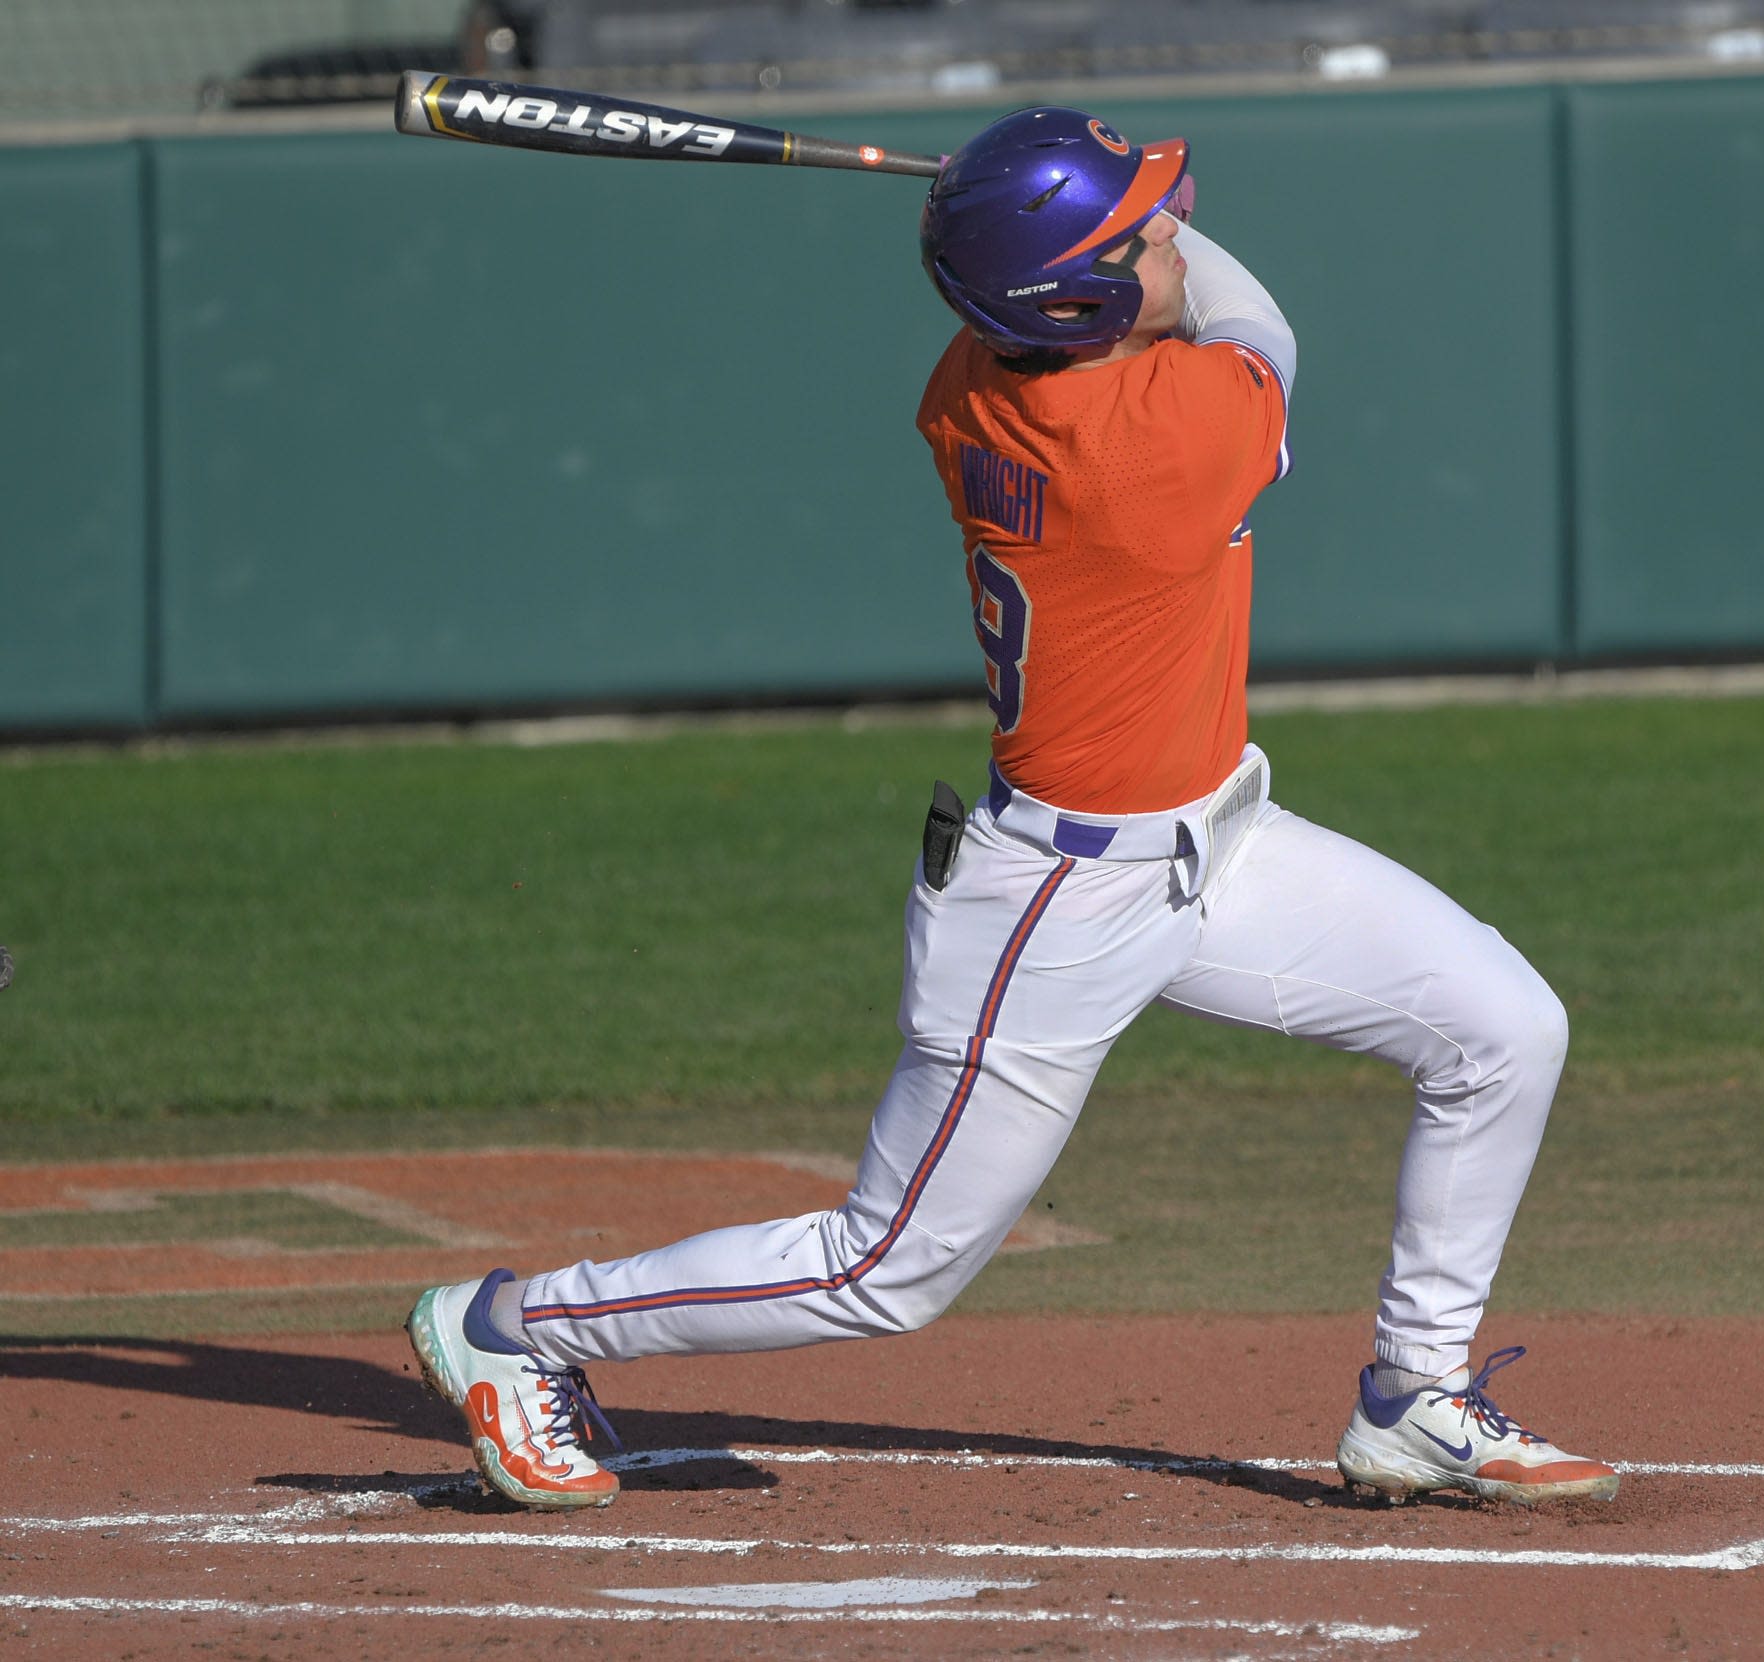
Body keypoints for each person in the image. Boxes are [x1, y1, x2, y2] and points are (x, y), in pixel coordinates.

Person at [406, 106, 1616, 1514]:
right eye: (1137, 231)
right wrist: (1068, 215)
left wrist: (1047, 207)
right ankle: (518, 1328)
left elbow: (1119, 285)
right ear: (1077, 299)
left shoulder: (972, 374)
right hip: (1053, 902)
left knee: (1502, 1025)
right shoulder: (1155, 440)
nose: (1172, 231)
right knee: (884, 1268)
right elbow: (1259, 318)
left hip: (1214, 846)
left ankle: (1413, 1395)